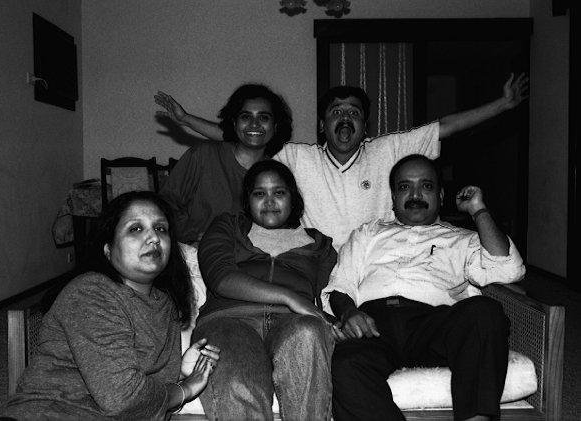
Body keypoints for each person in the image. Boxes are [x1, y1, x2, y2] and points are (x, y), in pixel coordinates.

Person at [155, 74, 528, 249]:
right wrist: (187, 121)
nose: (345, 118)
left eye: (354, 112)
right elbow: (246, 136)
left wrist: (502, 105)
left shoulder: (389, 149)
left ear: (365, 126)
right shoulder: (296, 156)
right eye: (336, 112)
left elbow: (445, 127)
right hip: (319, 262)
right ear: (322, 124)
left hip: (378, 256)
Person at [322, 154, 526, 421]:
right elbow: (341, 284)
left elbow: (508, 269)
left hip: (433, 324)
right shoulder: (367, 233)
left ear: (440, 195)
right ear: (393, 197)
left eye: (426, 186)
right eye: (405, 187)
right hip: (374, 325)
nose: (415, 195)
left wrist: (478, 210)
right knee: (345, 364)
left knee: (485, 311)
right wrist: (349, 313)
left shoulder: (462, 239)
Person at [0, 191, 220, 421]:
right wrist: (186, 389)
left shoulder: (166, 304)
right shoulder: (90, 293)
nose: (154, 237)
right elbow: (124, 399)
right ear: (108, 249)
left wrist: (181, 371)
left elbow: (147, 396)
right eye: (136, 228)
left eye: (161, 228)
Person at [192, 160, 338, 421]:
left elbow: (332, 292)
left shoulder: (320, 244)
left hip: (293, 322)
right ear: (248, 201)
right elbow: (220, 277)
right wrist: (289, 297)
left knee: (308, 333)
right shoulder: (228, 226)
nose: (269, 201)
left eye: (279, 192)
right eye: (259, 193)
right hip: (229, 319)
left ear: (293, 198)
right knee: (238, 381)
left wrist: (337, 321)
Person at [156, 84, 292, 244]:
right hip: (192, 250)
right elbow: (165, 203)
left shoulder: (276, 174)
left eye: (263, 117)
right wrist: (192, 234)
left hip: (250, 256)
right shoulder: (203, 155)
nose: (254, 124)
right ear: (234, 123)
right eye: (246, 117)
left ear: (275, 126)